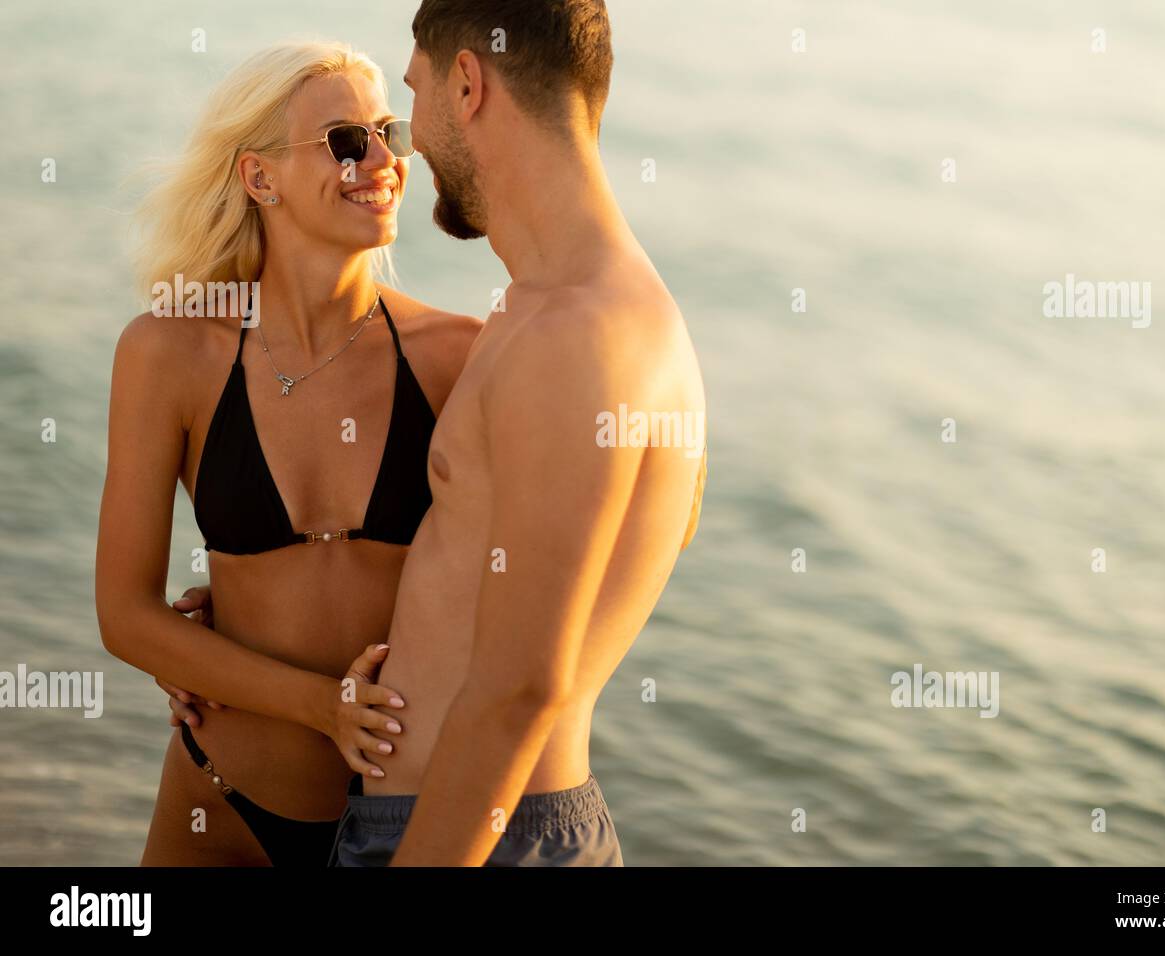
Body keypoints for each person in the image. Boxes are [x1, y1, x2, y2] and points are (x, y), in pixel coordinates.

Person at [327, 0, 708, 867]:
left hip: (481, 843)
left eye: (415, 94)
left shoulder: (575, 338)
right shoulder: (564, 312)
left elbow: (519, 692)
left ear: (468, 83)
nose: (409, 143)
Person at [94, 40, 481, 866]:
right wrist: (319, 704)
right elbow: (125, 615)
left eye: (388, 132)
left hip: (402, 826)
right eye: (345, 140)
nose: (380, 160)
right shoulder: (168, 354)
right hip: (220, 806)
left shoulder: (457, 357)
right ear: (258, 178)